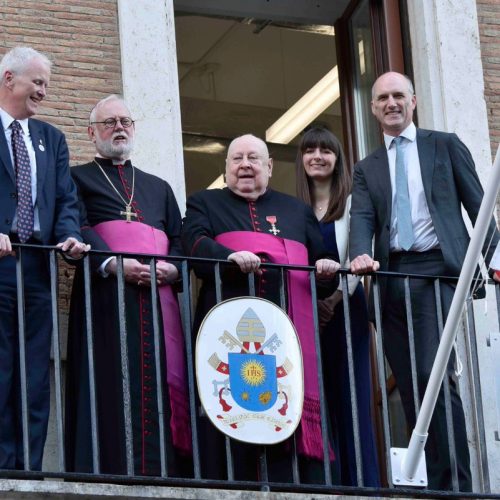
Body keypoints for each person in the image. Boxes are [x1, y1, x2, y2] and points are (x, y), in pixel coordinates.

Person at [349, 71, 499, 491]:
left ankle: (455, 486)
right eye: (383, 98)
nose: (391, 103)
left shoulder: (445, 145)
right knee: (411, 382)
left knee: (435, 377)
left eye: (399, 95)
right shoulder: (366, 168)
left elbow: (480, 206)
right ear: (373, 108)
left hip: (437, 272)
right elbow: (362, 217)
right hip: (390, 276)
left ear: (413, 101)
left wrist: (493, 261)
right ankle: (435, 482)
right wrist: (359, 253)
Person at [182, 133, 340, 481]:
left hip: (287, 342)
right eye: (237, 159)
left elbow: (322, 267)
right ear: (226, 168)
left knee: (285, 410)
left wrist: (327, 270)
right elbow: (194, 245)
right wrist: (227, 257)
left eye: (253, 158)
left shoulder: (297, 211)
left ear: (269, 166)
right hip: (228, 342)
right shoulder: (204, 202)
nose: (245, 165)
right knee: (232, 414)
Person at [65, 95, 191, 476]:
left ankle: (165, 472)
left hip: (159, 302)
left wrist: (173, 270)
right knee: (108, 384)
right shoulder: (76, 178)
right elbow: (77, 225)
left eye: (125, 122)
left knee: (160, 384)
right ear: (92, 133)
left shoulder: (159, 187)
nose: (119, 128)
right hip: (106, 299)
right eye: (109, 123)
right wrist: (115, 264)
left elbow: (180, 239)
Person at [0, 46, 88, 470]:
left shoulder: (51, 139)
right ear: (8, 78)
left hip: (38, 268)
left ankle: (29, 467)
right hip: (0, 263)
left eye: (46, 85)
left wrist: (69, 236)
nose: (43, 92)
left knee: (35, 371)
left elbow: (66, 199)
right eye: (37, 82)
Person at [296, 126, 380, 487]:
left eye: (326, 150)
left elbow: (359, 254)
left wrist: (332, 300)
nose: (317, 156)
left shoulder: (353, 204)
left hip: (346, 309)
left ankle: (361, 484)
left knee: (352, 397)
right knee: (315, 397)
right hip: (306, 313)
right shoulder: (294, 209)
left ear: (338, 158)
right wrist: (314, 304)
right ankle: (325, 484)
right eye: (310, 150)